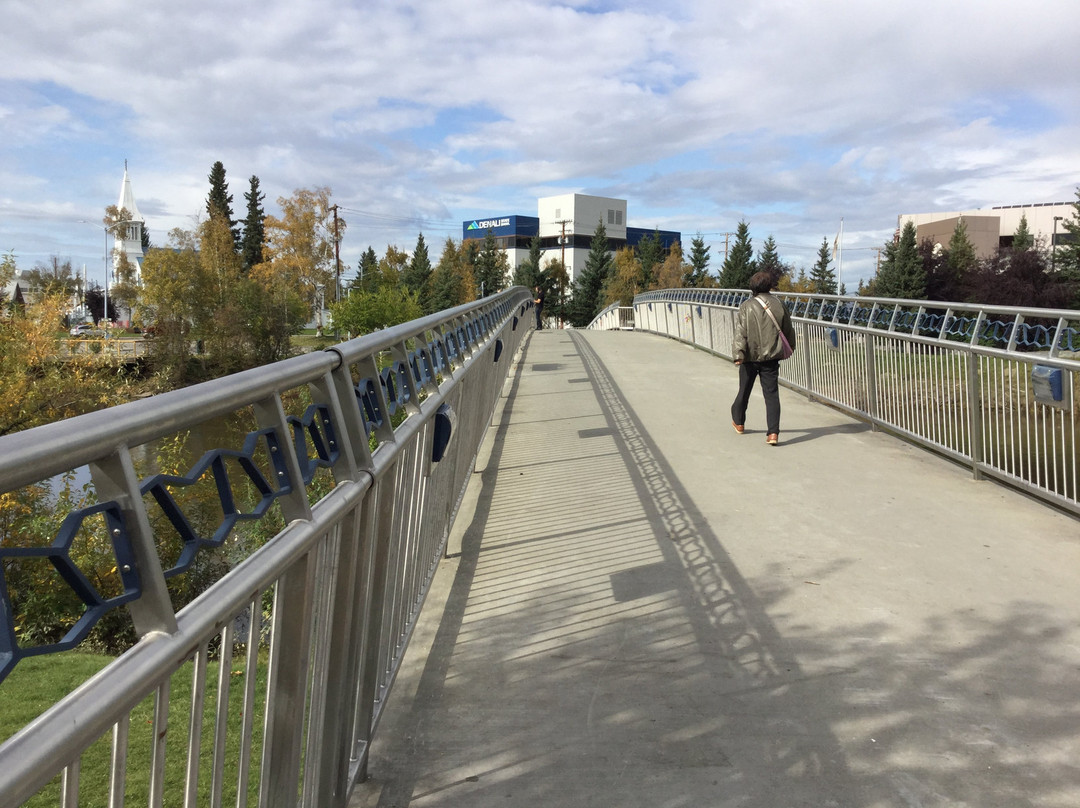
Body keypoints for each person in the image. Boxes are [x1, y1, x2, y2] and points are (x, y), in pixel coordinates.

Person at [730, 271, 796, 445]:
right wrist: (790, 348)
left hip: (750, 357)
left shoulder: (747, 305)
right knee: (772, 395)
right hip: (771, 358)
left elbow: (740, 332)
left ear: (753, 287)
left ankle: (739, 422)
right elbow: (788, 329)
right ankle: (773, 433)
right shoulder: (779, 304)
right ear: (769, 286)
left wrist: (738, 354)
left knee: (744, 391)